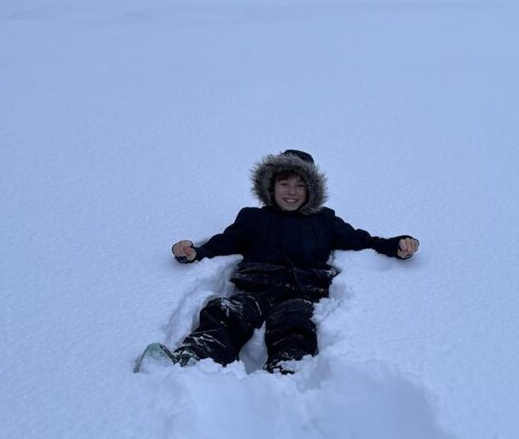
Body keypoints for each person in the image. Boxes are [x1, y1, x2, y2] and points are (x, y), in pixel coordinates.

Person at [168, 149, 419, 373]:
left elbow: (363, 241)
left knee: (295, 323)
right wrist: (194, 253)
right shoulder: (253, 218)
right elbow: (222, 243)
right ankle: (198, 355)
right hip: (256, 287)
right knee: (226, 312)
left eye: (300, 185)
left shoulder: (325, 221)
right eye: (284, 184)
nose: (291, 192)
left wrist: (397, 245)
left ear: (311, 190)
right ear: (271, 187)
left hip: (302, 291)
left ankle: (287, 368)